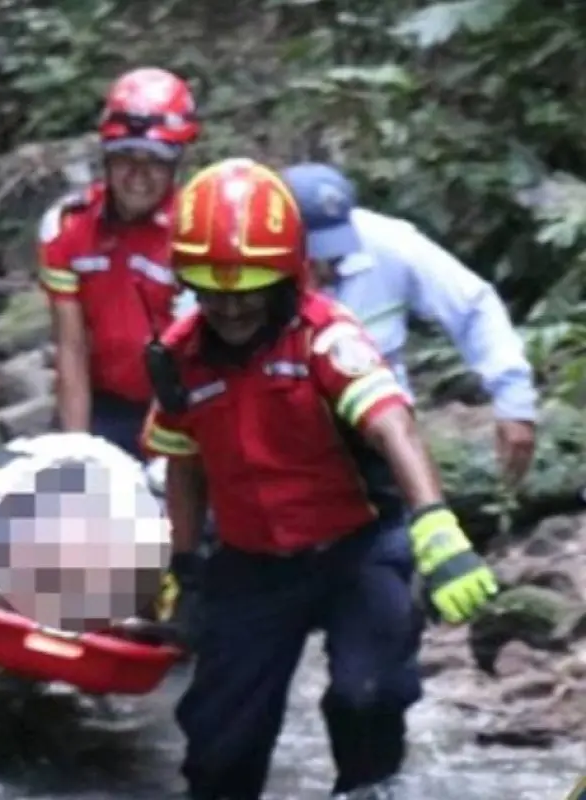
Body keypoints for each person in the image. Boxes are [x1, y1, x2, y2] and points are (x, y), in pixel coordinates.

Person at [141, 158, 500, 799]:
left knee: (368, 695)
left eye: (247, 286)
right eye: (211, 288)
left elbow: (393, 426)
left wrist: (436, 526)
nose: (229, 305)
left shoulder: (324, 336)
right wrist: (183, 566)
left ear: (285, 275)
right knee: (220, 750)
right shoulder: (179, 355)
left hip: (356, 546)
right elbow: (184, 462)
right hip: (251, 561)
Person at [282, 162, 538, 486]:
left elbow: (473, 307)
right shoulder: (241, 270)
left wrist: (515, 403)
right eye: (315, 254)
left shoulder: (390, 243)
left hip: (381, 438)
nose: (328, 267)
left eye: (335, 252)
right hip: (280, 445)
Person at [39, 67, 200, 459]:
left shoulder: (196, 230)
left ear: (176, 163)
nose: (138, 176)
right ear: (106, 159)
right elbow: (71, 348)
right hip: (104, 404)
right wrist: (76, 451)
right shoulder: (68, 226)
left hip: (185, 404)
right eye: (124, 157)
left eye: (155, 161)